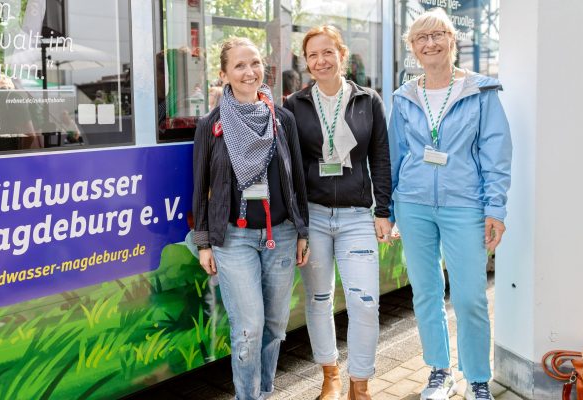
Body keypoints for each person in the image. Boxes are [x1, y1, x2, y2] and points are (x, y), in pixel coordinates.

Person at [388, 8, 512, 400]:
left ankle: (477, 377)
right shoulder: (404, 95)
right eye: (421, 39)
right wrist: (388, 211)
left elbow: (497, 152)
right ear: (412, 48)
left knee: (470, 296)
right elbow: (395, 155)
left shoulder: (480, 91)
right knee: (425, 292)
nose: (430, 44)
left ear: (452, 40)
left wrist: (495, 208)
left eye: (437, 35)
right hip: (413, 204)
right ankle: (439, 373)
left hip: (465, 205)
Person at [192, 37, 310, 400]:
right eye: (240, 65)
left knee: (275, 327)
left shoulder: (282, 119)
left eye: (255, 63)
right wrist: (204, 241)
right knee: (249, 328)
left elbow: (297, 179)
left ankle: (265, 392)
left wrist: (302, 230)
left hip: (282, 234)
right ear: (224, 73)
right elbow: (200, 186)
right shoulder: (211, 125)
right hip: (234, 238)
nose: (250, 72)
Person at [283, 25, 391, 400]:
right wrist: (297, 225)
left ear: (341, 55)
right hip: (313, 217)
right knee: (319, 300)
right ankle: (330, 374)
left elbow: (380, 157)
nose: (320, 60)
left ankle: (359, 382)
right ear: (306, 62)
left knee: (365, 302)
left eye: (328, 52)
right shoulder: (294, 106)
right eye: (312, 55)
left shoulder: (367, 101)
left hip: (357, 216)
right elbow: (289, 169)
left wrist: (384, 211)